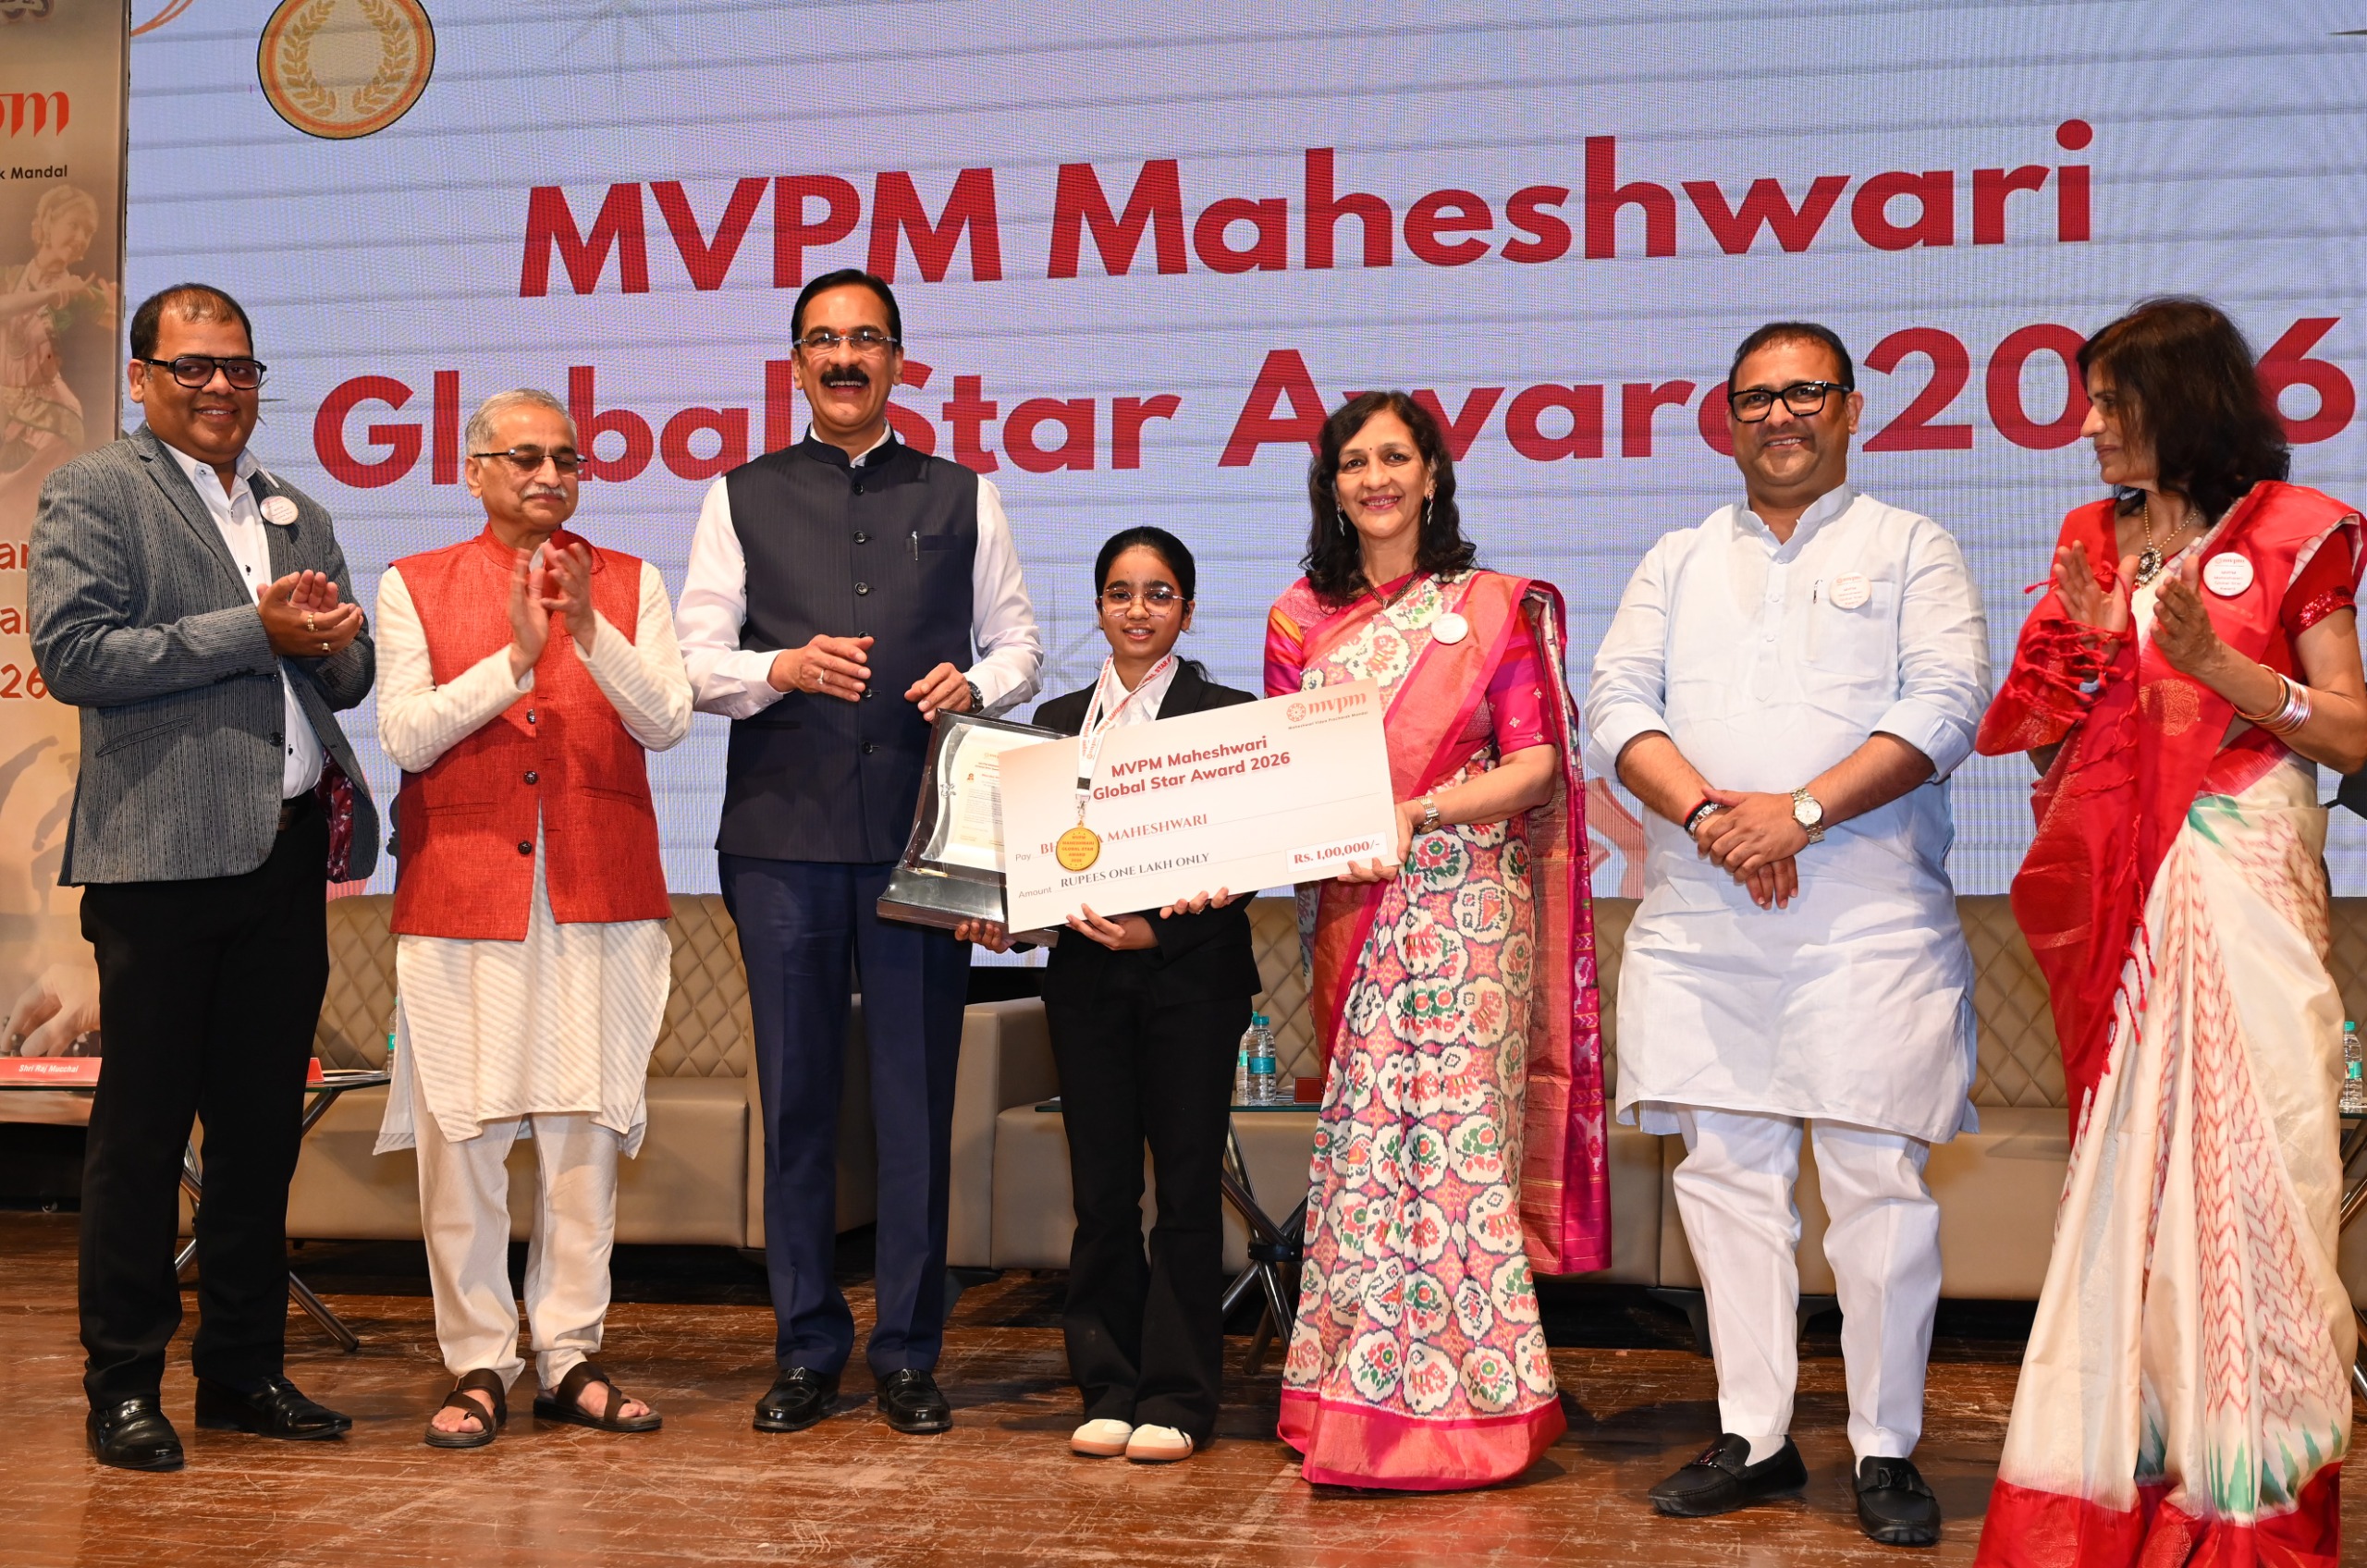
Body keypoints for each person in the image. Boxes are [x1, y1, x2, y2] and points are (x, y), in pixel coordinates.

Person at [1973, 299, 2364, 1564]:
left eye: (2111, 404)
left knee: (2258, 1177)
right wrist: (2095, 658)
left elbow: (2351, 730)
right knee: (2125, 1189)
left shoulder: (2297, 533)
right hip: (2120, 904)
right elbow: (2037, 740)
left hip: (2239, 878)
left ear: (2181, 404)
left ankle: (2244, 1501)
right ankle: (2119, 1486)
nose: (2089, 427)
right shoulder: (2092, 541)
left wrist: (2223, 668)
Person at [1585, 322, 1989, 1546]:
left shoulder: (1911, 546)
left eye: (1805, 392)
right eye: (1756, 398)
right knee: (1728, 1183)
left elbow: (1948, 703)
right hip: (1706, 913)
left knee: (1876, 1187)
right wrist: (1718, 819)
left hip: (1867, 918)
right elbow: (1614, 704)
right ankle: (1753, 1435)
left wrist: (1800, 813)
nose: (1780, 415)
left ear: (1852, 409)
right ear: (1728, 419)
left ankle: (1885, 1446)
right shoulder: (1676, 558)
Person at [675, 267, 1042, 1437]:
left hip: (922, 843)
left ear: (897, 359)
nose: (845, 358)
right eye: (824, 341)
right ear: (795, 364)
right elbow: (693, 659)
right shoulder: (739, 494)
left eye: (867, 339)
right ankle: (804, 1349)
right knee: (795, 1100)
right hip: (779, 840)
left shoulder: (964, 492)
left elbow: (1020, 644)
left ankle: (908, 1354)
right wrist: (778, 668)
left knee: (913, 1103)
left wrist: (975, 684)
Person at [29, 284, 377, 1471]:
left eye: (239, 367)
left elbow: (349, 679)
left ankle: (241, 1369)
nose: (221, 386)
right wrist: (254, 632)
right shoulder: (95, 491)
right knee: (140, 1138)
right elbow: (76, 653)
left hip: (285, 854)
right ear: (142, 378)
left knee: (259, 1135)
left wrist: (334, 637)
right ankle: (125, 1384)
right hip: (160, 859)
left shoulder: (294, 508)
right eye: (193, 367)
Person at [1264, 390, 1608, 1490]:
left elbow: (1536, 764)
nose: (1374, 478)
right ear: (1331, 485)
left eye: (1394, 458)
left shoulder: (1492, 605)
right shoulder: (1296, 620)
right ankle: (1351, 1392)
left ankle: (1473, 1406)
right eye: (1352, 462)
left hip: (1466, 910)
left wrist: (1420, 812)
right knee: (1364, 1155)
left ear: (1430, 475)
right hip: (1353, 911)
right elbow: (1283, 772)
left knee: (1455, 1154)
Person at [372, 389, 693, 1448]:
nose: (550, 475)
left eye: (566, 458)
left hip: (599, 889)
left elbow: (668, 720)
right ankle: (476, 1360)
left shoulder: (631, 582)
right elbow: (407, 736)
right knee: (461, 1139)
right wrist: (512, 658)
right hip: (463, 893)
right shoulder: (413, 582)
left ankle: (569, 1353)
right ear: (475, 471)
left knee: (583, 1136)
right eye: (524, 457)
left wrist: (586, 627)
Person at [962, 527, 1262, 1466]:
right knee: (1100, 1194)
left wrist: (1154, 931)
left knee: (1185, 1193)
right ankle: (1108, 1384)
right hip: (1085, 984)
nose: (1138, 609)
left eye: (1158, 593)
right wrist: (1004, 917)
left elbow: (1249, 855)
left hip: (1192, 982)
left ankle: (1177, 1396)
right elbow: (1030, 863)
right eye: (1120, 592)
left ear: (1188, 609)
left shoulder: (1226, 715)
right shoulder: (1052, 724)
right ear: (1097, 607)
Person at [1, 185, 116, 515]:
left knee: (31, 507)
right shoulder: (9, 278)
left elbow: (117, 321)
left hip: (53, 415)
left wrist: (117, 304)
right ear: (48, 223)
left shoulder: (82, 293)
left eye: (88, 232)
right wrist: (51, 295)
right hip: (6, 405)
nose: (81, 237)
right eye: (74, 225)